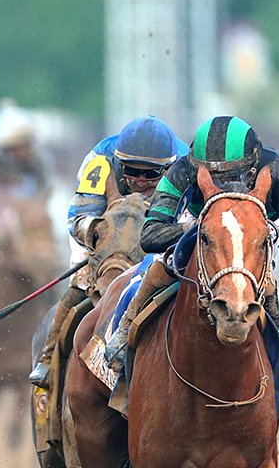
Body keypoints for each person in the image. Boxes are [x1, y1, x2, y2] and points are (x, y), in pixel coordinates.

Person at [103, 115, 279, 374]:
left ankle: (278, 361)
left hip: (258, 228)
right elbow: (150, 236)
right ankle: (125, 330)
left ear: (251, 170)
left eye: (231, 177)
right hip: (201, 223)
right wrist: (203, 227)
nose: (223, 187)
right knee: (163, 261)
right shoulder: (183, 170)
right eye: (214, 179)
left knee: (264, 279)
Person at [29, 115, 186, 387]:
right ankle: (49, 355)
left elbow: (187, 223)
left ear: (167, 169)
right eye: (131, 170)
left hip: (159, 233)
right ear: (118, 162)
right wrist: (101, 234)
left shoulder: (186, 167)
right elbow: (79, 218)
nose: (140, 180)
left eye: (150, 174)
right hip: (106, 230)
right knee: (81, 280)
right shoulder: (100, 161)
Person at [0, 99, 54, 250]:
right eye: (16, 146)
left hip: (22, 190)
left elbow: (45, 187)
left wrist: (35, 211)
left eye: (25, 144)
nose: (22, 151)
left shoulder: (39, 155)